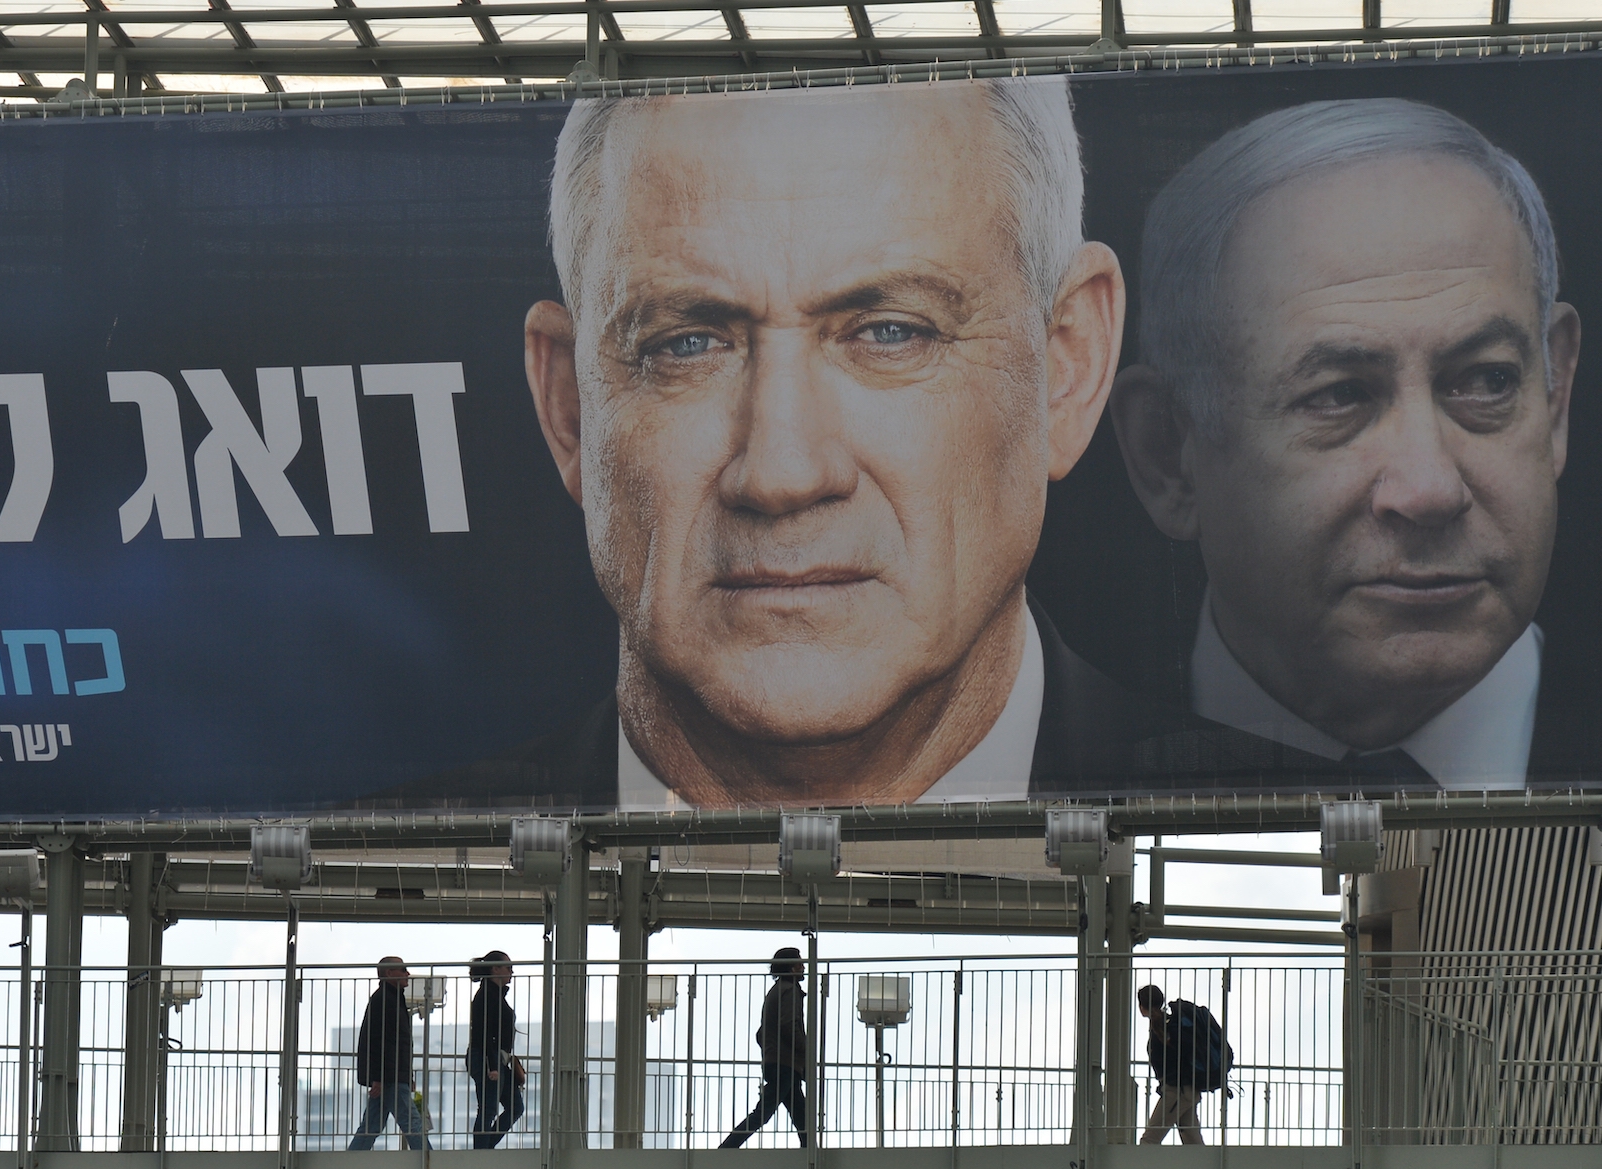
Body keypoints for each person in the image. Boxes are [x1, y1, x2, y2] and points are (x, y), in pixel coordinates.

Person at [365, 78, 1334, 813]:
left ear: (1067, 367)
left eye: (890, 332)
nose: (784, 472)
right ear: (570, 407)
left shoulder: (1307, 808)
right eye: (688, 344)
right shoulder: (389, 837)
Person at [1110, 98, 1580, 790]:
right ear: (1167, 455)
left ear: (1556, 397)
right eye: (1337, 396)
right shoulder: (1039, 744)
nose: (1430, 489)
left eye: (1485, 381)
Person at [720, 948, 808, 1148]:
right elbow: (789, 1026)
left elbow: (761, 1034)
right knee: (765, 1113)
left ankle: (810, 1152)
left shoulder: (776, 991)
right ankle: (726, 1148)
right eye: (800, 963)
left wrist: (770, 1050)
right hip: (785, 1064)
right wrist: (805, 1050)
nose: (803, 967)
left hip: (777, 1062)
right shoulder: (789, 991)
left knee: (801, 1115)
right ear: (792, 967)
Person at [347, 956, 425, 1151]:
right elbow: (381, 1042)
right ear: (390, 973)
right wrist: (381, 1077)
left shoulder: (388, 999)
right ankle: (431, 1167)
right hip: (392, 1077)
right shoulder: (386, 1001)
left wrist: (381, 1077)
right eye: (403, 969)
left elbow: (385, 1043)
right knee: (412, 1123)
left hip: (390, 1076)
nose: (407, 973)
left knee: (371, 1126)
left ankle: (349, 1164)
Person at [466, 950, 525, 1148]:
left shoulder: (494, 995)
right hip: (487, 1058)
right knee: (488, 1109)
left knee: (515, 1107)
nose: (512, 972)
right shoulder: (486, 997)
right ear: (495, 969)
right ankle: (481, 1154)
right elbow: (484, 1034)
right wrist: (492, 1065)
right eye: (508, 967)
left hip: (496, 1059)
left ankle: (485, 1148)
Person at [1137, 984, 1204, 1145]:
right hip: (1187, 1090)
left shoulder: (1162, 1028)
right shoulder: (1171, 1024)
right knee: (1194, 1145)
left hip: (1176, 1092)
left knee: (1148, 1141)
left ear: (1142, 1007)